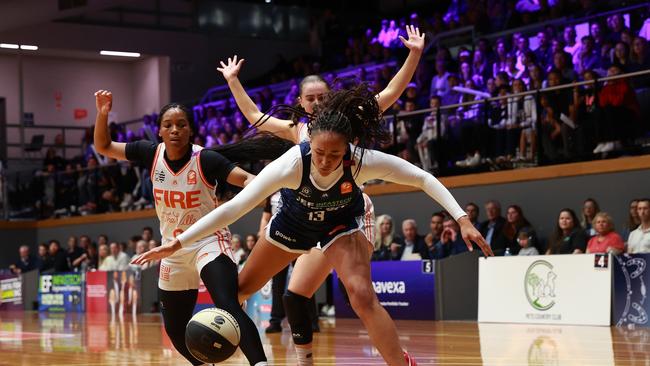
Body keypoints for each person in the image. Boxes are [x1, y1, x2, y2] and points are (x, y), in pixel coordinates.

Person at [133, 82, 493, 366]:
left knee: (362, 295)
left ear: (348, 150)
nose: (324, 161)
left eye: (334, 155)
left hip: (340, 224)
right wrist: (177, 244)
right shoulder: (293, 161)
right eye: (319, 152)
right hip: (293, 223)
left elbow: (423, 178)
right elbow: (236, 208)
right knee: (236, 294)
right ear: (310, 144)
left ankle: (402, 364)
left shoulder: (362, 161)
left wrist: (462, 219)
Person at [214, 25, 426, 364]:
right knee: (294, 296)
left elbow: (390, 93)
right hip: (305, 215)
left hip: (346, 212)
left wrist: (414, 54)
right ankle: (304, 360)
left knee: (359, 295)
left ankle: (399, 358)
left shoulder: (353, 118)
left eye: (321, 97)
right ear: (300, 102)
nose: (316, 102)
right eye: (309, 98)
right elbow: (253, 115)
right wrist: (233, 81)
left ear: (331, 98)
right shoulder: (294, 129)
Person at [93, 90, 291, 366]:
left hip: (208, 242)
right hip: (172, 249)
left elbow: (248, 179)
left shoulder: (206, 159)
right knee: (175, 330)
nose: (175, 130)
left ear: (191, 130)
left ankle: (260, 363)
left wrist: (258, 193)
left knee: (228, 304)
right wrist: (102, 115)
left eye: (181, 125)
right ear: (160, 131)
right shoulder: (150, 154)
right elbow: (104, 147)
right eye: (168, 125)